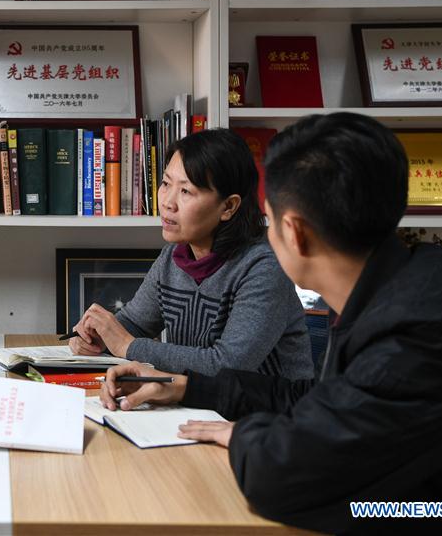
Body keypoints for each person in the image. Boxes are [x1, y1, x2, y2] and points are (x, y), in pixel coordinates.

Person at [99, 113, 442, 533]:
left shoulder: (414, 332)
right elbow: (325, 398)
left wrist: (244, 437)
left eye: (270, 220)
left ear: (294, 233)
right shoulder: (415, 276)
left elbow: (281, 481)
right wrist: (192, 388)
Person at [71, 129, 313, 380]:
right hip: (198, 406)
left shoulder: (263, 267)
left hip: (267, 415)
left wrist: (127, 346)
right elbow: (134, 324)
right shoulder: (174, 257)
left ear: (228, 206)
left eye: (186, 191)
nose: (167, 202)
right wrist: (97, 336)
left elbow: (227, 365)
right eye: (165, 184)